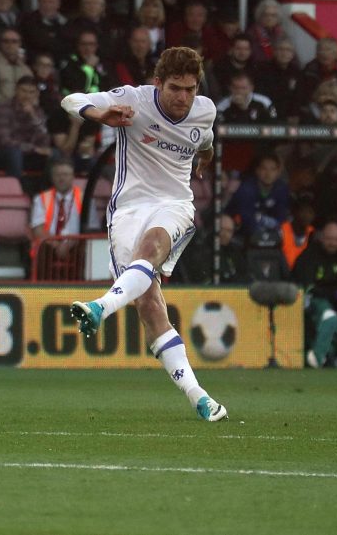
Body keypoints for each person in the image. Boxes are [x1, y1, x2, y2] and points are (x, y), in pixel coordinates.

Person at [62, 46, 228, 422]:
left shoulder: (206, 109)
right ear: (158, 83)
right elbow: (71, 100)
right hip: (127, 210)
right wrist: (100, 114)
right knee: (150, 306)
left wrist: (207, 153)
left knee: (153, 247)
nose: (183, 97)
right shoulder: (133, 100)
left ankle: (99, 307)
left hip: (174, 205)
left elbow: (204, 138)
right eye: (175, 88)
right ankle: (198, 395)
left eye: (189, 88)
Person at [291, 221, 337, 368]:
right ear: (322, 238)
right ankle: (318, 357)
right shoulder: (309, 256)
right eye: (330, 239)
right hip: (312, 301)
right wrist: (333, 294)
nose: (333, 243)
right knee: (329, 317)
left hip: (335, 301)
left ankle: (330, 354)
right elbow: (307, 286)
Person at [0, 76, 52, 183]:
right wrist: (34, 149)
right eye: (23, 91)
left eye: (31, 92)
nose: (27, 95)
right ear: (16, 90)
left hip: (27, 154)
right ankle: (14, 191)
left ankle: (45, 194)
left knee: (55, 155)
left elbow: (45, 140)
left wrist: (33, 116)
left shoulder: (37, 111)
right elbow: (5, 142)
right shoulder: (2, 109)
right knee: (14, 153)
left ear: (36, 94)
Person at [225, 152, 289, 241]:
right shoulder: (246, 189)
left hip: (271, 234)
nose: (268, 174)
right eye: (264, 169)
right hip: (241, 234)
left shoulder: (281, 189)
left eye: (273, 169)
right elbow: (246, 220)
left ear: (278, 172)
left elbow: (282, 217)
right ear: (257, 170)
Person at [0, 27, 33, 104]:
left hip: (23, 110)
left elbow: (33, 93)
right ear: (0, 43)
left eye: (14, 41)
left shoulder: (25, 69)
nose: (10, 45)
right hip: (0, 110)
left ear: (19, 44)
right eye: (6, 41)